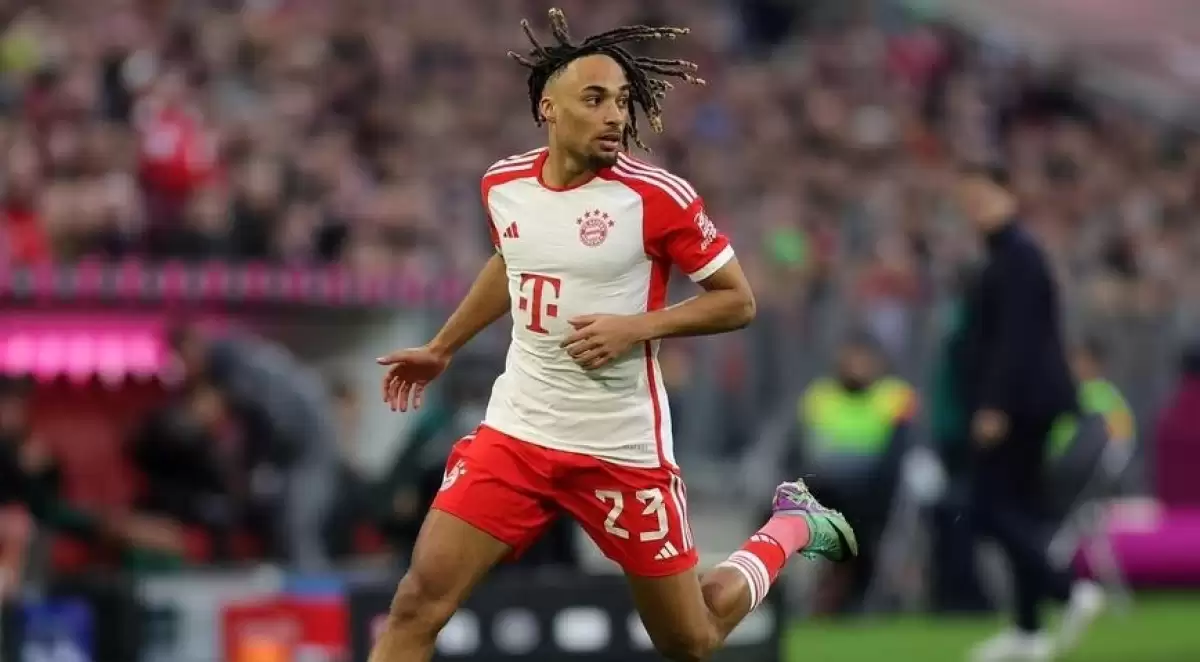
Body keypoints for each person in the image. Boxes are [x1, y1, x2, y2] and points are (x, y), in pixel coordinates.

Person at [368, 9, 857, 662]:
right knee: (415, 605)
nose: (615, 117)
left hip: (619, 448)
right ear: (549, 108)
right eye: (595, 99)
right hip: (518, 434)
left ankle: (792, 525)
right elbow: (513, 261)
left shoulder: (657, 197)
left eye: (623, 102)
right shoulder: (503, 184)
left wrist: (637, 327)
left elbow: (737, 301)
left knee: (690, 640)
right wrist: (442, 347)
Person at [954, 164, 1104, 661]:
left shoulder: (1017, 256)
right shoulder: (1007, 255)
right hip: (1026, 402)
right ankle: (1028, 630)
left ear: (1010, 195)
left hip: (1020, 406)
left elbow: (1015, 340)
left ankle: (1068, 588)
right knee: (1020, 511)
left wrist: (995, 404)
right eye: (968, 200)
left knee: (989, 509)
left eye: (982, 196)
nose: (974, 208)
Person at [169, 324, 339, 571]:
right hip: (295, 445)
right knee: (284, 525)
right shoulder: (234, 358)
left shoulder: (232, 362)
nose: (185, 366)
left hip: (308, 443)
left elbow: (269, 421)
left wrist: (252, 466)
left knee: (297, 529)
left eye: (183, 358)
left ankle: (316, 590)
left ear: (193, 344)